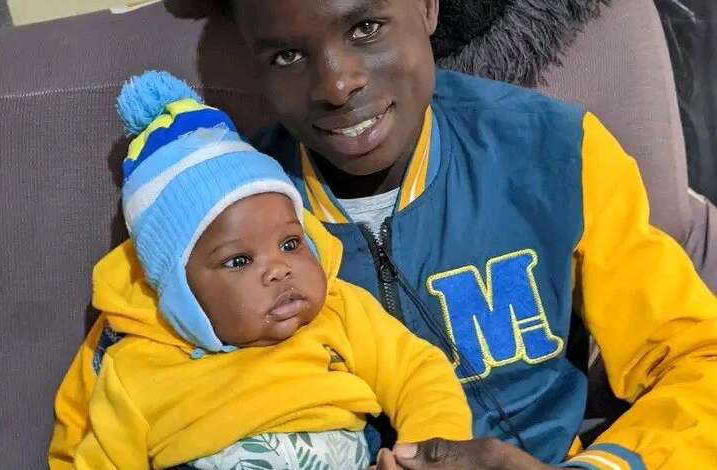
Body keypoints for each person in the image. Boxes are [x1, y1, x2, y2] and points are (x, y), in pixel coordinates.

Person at [50, 0, 717, 469]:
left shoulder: (554, 153)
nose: (337, 84)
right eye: (288, 54)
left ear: (427, 8)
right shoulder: (217, 214)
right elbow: (94, 418)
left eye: (366, 27)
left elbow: (698, 360)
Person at [69, 71, 471, 469]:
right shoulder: (136, 369)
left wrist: (425, 453)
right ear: (177, 289)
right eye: (239, 261)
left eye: (291, 244)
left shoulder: (339, 312)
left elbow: (418, 374)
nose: (279, 269)